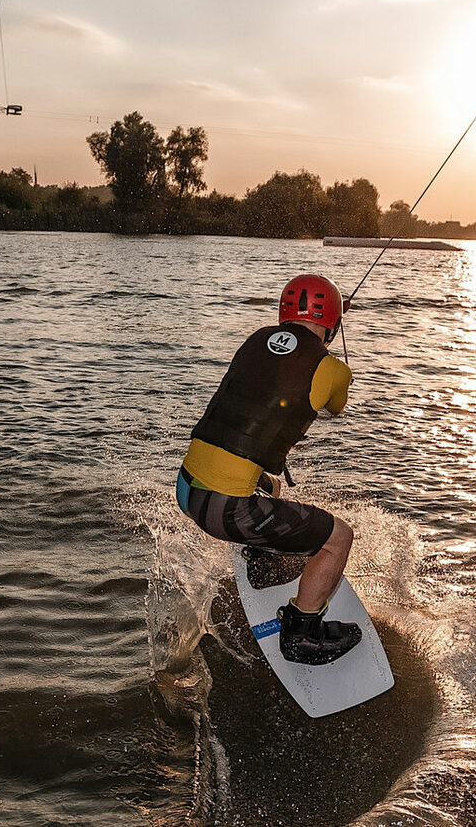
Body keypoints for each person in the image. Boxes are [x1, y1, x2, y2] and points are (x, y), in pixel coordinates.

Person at [174, 273, 362, 665]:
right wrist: (331, 353)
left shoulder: (254, 340)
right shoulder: (332, 369)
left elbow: (272, 376)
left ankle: (263, 553)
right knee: (339, 538)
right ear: (334, 323)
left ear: (282, 313)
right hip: (225, 509)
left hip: (188, 488)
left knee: (271, 486)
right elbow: (336, 405)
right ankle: (301, 633)